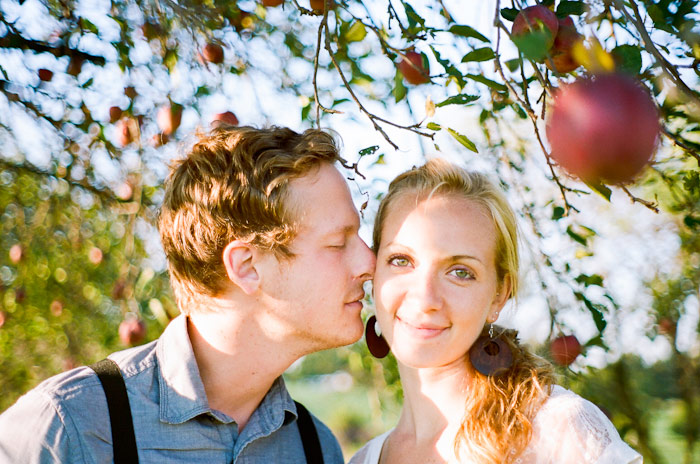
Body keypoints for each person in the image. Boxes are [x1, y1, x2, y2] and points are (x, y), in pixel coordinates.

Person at [0, 126, 375, 463]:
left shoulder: (315, 449)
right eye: (338, 243)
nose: (369, 263)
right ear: (246, 266)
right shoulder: (68, 429)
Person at [350, 159, 642, 464]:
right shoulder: (363, 460)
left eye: (460, 272)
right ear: (374, 272)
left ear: (498, 296)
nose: (425, 298)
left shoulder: (559, 433)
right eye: (401, 260)